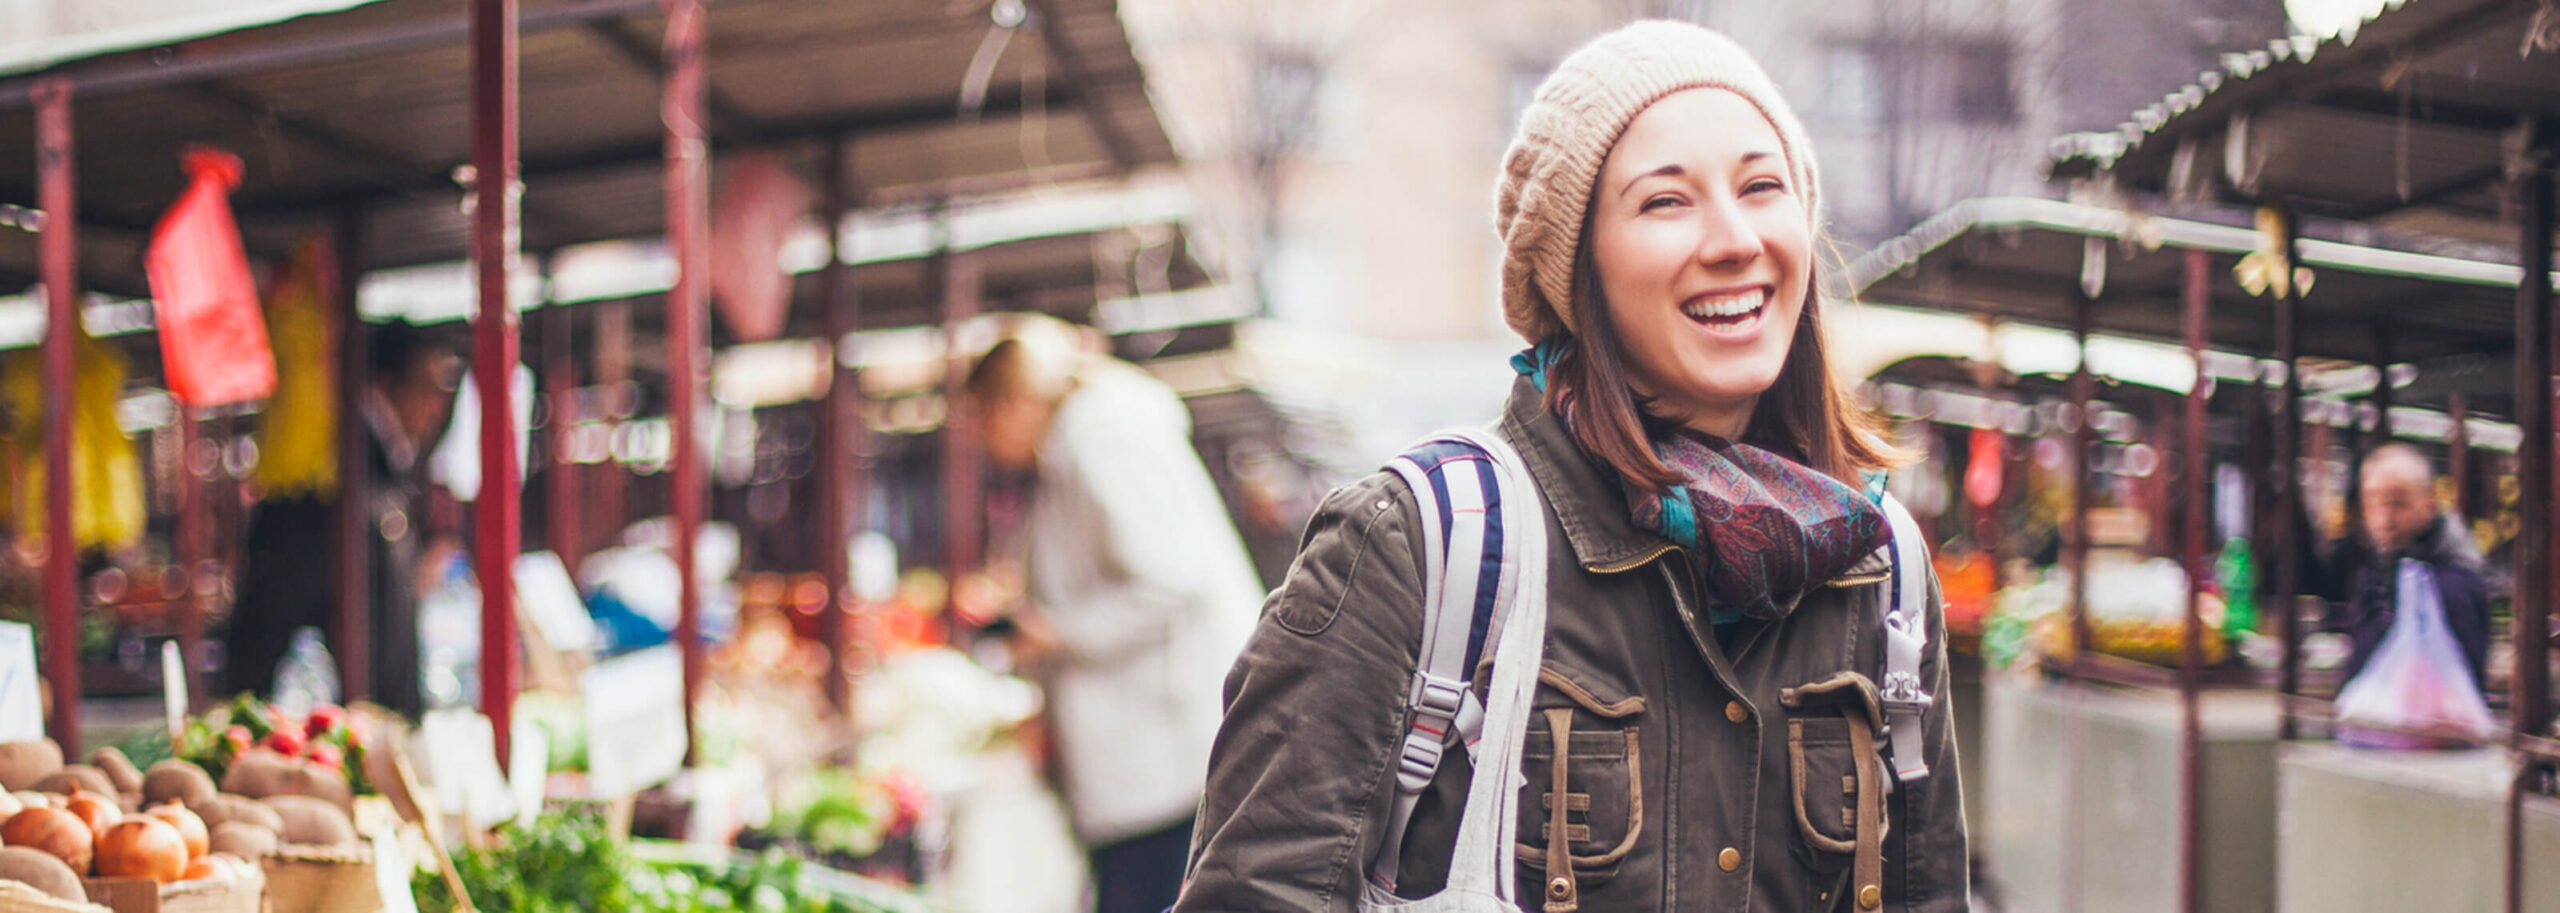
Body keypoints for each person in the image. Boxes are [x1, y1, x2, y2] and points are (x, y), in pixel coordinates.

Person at [1174, 22, 1969, 912]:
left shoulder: (1881, 568)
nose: (1736, 237)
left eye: (1762, 186)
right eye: (1666, 202)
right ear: (1574, 268)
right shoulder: (1420, 546)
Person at [960, 318, 1262, 913]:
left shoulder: (1099, 437)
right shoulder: (1084, 440)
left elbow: (1170, 576)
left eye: (981, 415)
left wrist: (1058, 633)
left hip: (1164, 750)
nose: (978, 436)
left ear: (1016, 401)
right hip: (1155, 747)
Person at [225, 321, 459, 717]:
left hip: (378, 714)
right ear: (386, 385)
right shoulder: (342, 472)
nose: (437, 407)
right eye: (427, 388)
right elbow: (276, 609)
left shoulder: (384, 467)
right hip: (359, 714)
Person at [2307, 442, 2491, 689]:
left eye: (2398, 502)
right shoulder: (2375, 571)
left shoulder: (2451, 584)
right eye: (2373, 501)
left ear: (2429, 501)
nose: (2385, 518)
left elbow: (2457, 684)